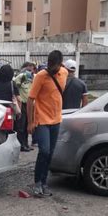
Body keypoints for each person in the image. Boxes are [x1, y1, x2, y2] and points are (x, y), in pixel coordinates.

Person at [27, 50, 68, 197]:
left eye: (54, 66)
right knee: (44, 150)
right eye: (50, 65)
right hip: (42, 119)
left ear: (60, 64)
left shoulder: (64, 73)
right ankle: (37, 183)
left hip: (56, 119)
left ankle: (44, 183)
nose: (52, 69)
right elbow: (30, 99)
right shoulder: (40, 76)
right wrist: (30, 122)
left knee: (50, 153)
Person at [14, 62, 36, 151]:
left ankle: (26, 143)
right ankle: (21, 145)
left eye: (32, 67)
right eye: (29, 67)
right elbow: (15, 85)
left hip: (29, 104)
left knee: (27, 125)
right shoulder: (21, 76)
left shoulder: (33, 77)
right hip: (22, 103)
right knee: (21, 126)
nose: (31, 69)